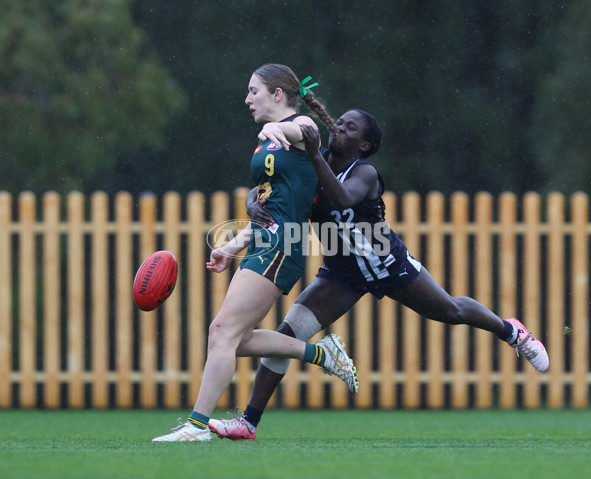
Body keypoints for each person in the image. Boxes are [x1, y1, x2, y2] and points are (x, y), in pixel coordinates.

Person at [208, 108, 550, 440]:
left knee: (451, 310)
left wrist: (313, 156)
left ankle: (512, 332)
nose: (340, 127)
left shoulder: (363, 172)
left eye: (351, 128)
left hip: (386, 263)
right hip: (340, 273)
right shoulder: (315, 159)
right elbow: (274, 184)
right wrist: (253, 200)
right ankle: (248, 423)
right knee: (285, 336)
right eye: (339, 121)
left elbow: (342, 199)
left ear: (365, 145)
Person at [152, 64, 358, 442]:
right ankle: (322, 355)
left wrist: (278, 128)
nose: (247, 100)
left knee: (221, 331)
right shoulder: (267, 141)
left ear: (278, 95)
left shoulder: (298, 130)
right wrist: (232, 246)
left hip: (283, 246)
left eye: (254, 91)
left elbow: (307, 132)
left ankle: (196, 427)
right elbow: (271, 206)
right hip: (266, 242)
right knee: (237, 339)